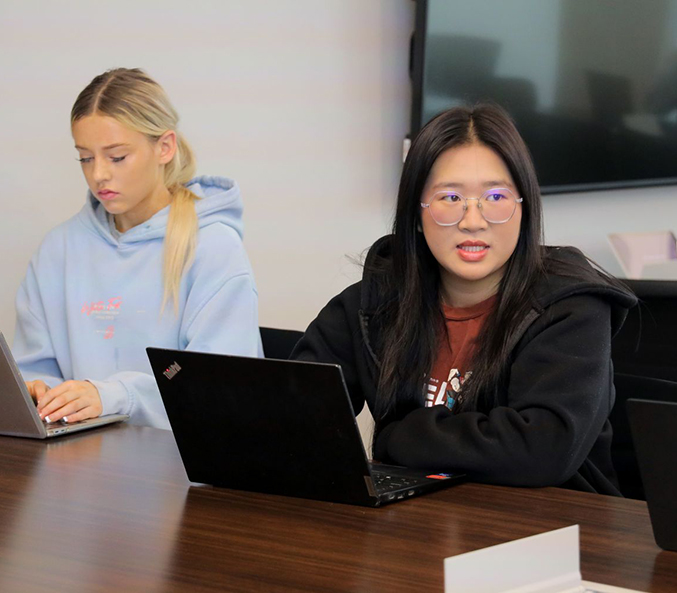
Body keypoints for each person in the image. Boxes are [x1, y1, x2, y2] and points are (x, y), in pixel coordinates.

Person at [293, 104, 635, 494]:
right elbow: (295, 412)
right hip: (419, 529)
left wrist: (400, 437)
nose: (473, 221)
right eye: (450, 198)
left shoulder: (571, 308)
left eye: (495, 196)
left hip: (554, 530)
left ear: (524, 209)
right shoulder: (373, 304)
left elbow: (541, 450)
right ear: (416, 215)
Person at [12, 68, 261, 430]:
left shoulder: (213, 249)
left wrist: (114, 396)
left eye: (116, 157)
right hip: (78, 461)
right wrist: (38, 392)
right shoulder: (58, 249)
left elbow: (215, 389)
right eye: (85, 157)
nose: (98, 174)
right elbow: (35, 369)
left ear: (164, 147)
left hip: (181, 468)